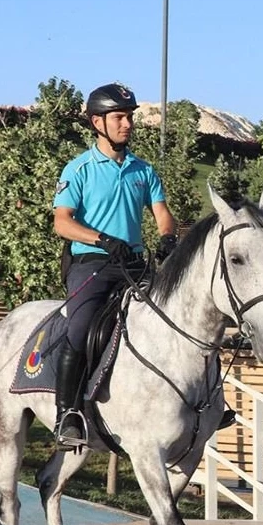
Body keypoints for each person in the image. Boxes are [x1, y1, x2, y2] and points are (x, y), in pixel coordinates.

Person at [49, 82, 178, 448]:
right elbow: (62, 221)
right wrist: (103, 239)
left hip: (135, 265)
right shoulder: (79, 169)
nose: (128, 124)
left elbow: (162, 215)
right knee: (80, 328)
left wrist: (168, 237)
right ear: (97, 122)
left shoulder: (143, 170)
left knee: (178, 317)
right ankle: (68, 415)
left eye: (130, 117)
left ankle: (206, 402)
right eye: (119, 117)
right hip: (91, 263)